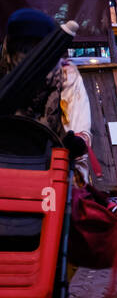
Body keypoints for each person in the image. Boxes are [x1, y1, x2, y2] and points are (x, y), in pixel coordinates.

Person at [0, 9, 94, 182]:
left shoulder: (66, 76)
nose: (28, 55)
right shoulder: (3, 75)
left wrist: (75, 142)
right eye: (22, 47)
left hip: (52, 168)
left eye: (36, 47)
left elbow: (78, 123)